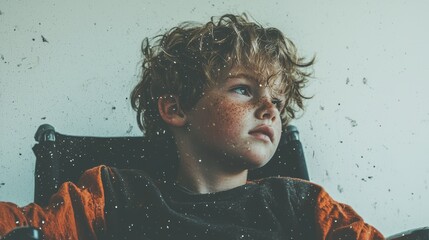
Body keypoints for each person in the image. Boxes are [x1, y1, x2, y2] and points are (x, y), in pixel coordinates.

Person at [0, 14, 384, 239]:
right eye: (243, 89)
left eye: (279, 102)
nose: (269, 108)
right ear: (175, 108)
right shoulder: (110, 194)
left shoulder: (302, 205)